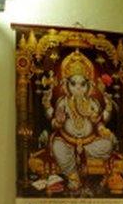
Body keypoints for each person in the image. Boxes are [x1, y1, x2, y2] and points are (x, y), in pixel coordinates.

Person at [43, 50, 117, 191]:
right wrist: (57, 119)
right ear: (67, 85)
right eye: (73, 84)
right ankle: (73, 176)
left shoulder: (92, 103)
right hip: (67, 141)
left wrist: (107, 108)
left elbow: (101, 121)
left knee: (107, 144)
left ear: (88, 85)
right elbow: (54, 122)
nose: (78, 87)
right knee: (57, 147)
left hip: (89, 142)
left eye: (82, 84)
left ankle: (84, 171)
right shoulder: (63, 102)